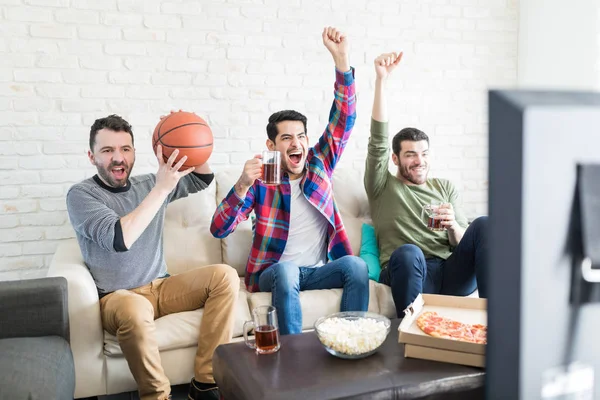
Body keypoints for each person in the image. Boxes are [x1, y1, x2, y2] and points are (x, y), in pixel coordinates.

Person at [66, 114, 239, 400]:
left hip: (161, 287)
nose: (118, 158)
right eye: (107, 151)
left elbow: (202, 178)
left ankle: (206, 383)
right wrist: (162, 188)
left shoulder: (148, 183)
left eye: (125, 149)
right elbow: (120, 238)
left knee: (224, 276)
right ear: (91, 156)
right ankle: (157, 396)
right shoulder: (81, 195)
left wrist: (189, 131)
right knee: (134, 310)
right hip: (118, 297)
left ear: (135, 152)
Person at [210, 27, 369, 335]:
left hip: (317, 271)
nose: (296, 143)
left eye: (300, 136)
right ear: (272, 145)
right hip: (274, 273)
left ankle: (351, 339)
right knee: (286, 271)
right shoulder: (261, 181)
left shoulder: (319, 162)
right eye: (286, 138)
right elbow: (219, 229)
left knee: (356, 266)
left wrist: (342, 61)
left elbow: (344, 119)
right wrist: (242, 184)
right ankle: (293, 356)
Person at [364, 52, 488, 318]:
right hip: (409, 270)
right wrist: (381, 82)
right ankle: (410, 334)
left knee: (485, 224)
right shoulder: (382, 185)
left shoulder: (444, 187)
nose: (419, 161)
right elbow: (378, 140)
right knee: (409, 252)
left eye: (424, 154)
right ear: (395, 158)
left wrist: (454, 225)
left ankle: (497, 321)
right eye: (410, 155)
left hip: (451, 273)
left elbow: (462, 243)